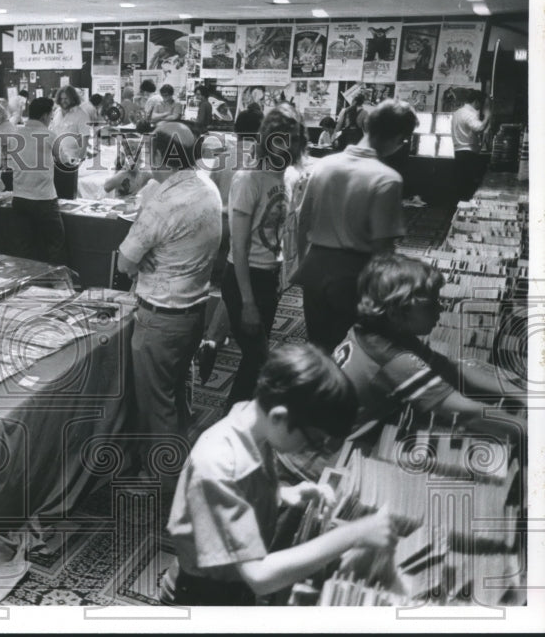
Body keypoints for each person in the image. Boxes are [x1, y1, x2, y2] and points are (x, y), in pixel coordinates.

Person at [160, 343, 397, 606]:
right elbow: (259, 575)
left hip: (229, 580)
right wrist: (354, 534)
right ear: (279, 417)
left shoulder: (250, 421)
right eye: (314, 440)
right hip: (202, 593)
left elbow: (241, 493)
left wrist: (283, 493)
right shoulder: (219, 464)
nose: (314, 450)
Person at [278, 254, 527, 484]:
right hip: (311, 459)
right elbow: (463, 412)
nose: (440, 309)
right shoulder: (395, 360)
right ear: (398, 313)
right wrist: (528, 427)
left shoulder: (375, 331)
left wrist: (521, 394)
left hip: (300, 434)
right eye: (430, 305)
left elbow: (450, 368)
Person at [118, 122, 222, 493]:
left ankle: (160, 480)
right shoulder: (207, 186)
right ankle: (179, 462)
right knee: (175, 395)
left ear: (161, 156)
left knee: (156, 403)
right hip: (194, 309)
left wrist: (148, 259)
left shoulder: (163, 201)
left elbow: (125, 263)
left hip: (161, 316)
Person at [296, 99, 418, 352]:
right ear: (398, 138)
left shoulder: (324, 165)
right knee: (350, 352)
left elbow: (301, 221)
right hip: (353, 275)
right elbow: (382, 249)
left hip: (314, 268)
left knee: (317, 348)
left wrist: (300, 263)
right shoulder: (387, 179)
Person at [221, 106, 306, 409]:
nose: (288, 146)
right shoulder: (249, 179)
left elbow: (284, 232)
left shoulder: (290, 176)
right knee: (260, 360)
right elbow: (239, 246)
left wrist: (284, 273)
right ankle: (231, 419)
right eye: (280, 139)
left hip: (270, 275)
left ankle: (240, 417)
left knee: (255, 358)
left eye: (294, 139)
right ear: (267, 139)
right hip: (245, 278)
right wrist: (247, 302)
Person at [196, 102, 267, 382]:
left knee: (209, 278)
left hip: (217, 219)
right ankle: (214, 337)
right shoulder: (258, 157)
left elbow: (211, 184)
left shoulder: (224, 154)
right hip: (241, 224)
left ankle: (200, 331)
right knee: (234, 282)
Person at [9, 96, 66, 265]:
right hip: (44, 199)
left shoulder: (15, 134)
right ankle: (55, 282)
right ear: (43, 116)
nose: (50, 120)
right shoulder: (50, 135)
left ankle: (25, 282)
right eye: (50, 116)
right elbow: (63, 160)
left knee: (24, 246)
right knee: (55, 243)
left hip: (19, 198)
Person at [49, 85, 91, 200]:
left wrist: (79, 162)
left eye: (66, 99)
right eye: (61, 99)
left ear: (73, 98)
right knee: (55, 193)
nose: (63, 101)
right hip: (54, 159)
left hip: (70, 161)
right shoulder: (57, 112)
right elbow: (51, 132)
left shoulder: (82, 114)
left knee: (67, 195)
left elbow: (85, 140)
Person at [451, 89, 492, 201]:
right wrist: (488, 115)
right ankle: (465, 210)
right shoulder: (468, 114)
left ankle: (459, 209)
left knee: (462, 184)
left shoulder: (458, 112)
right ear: (476, 102)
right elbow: (479, 128)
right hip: (468, 153)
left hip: (459, 152)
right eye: (481, 104)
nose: (481, 107)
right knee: (469, 186)